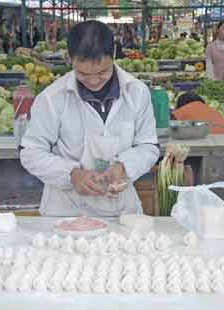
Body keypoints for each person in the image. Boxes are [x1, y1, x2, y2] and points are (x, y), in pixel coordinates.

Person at [20, 21, 160, 217]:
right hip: (66, 212)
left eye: (103, 72)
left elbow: (149, 146)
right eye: (83, 74)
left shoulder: (137, 92)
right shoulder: (52, 98)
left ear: (113, 53)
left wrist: (123, 167)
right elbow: (31, 152)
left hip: (121, 210)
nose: (94, 81)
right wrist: (71, 175)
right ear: (70, 59)